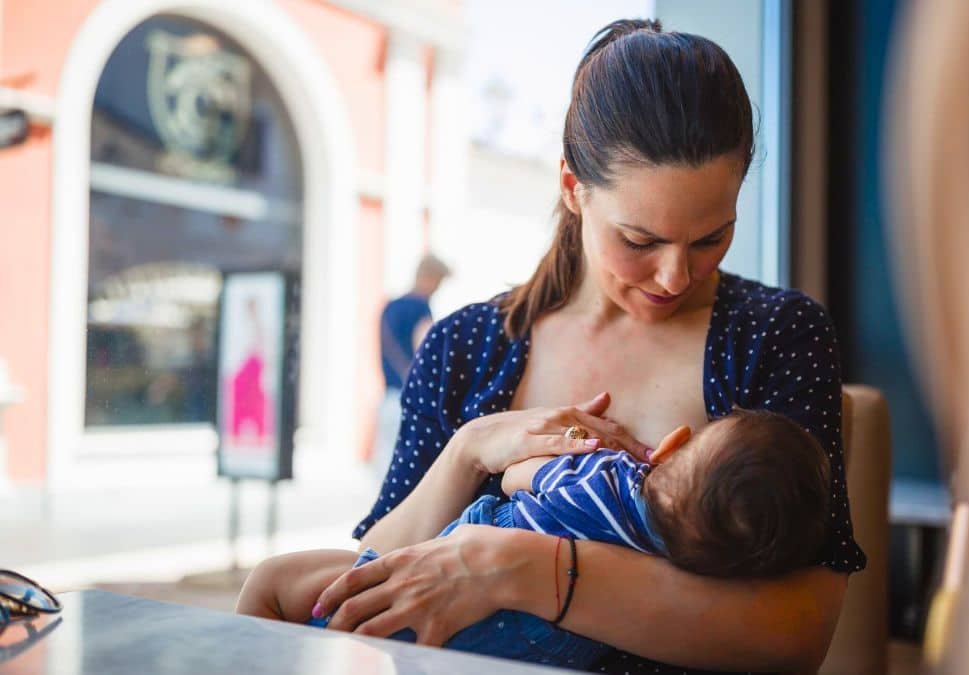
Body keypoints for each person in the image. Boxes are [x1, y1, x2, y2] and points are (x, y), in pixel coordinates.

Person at [311, 19, 864, 674]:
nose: (675, 277)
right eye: (640, 241)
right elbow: (365, 584)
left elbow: (796, 634)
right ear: (573, 189)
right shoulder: (464, 347)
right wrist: (468, 450)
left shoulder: (776, 334)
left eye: (711, 238)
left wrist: (526, 569)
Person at [237, 409, 832, 669]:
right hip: (531, 656)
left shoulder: (605, 477)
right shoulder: (688, 572)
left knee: (273, 582)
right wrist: (466, 446)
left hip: (391, 619)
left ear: (673, 443)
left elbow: (517, 477)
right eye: (641, 240)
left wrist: (565, 447)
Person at [372, 255, 451, 475]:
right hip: (410, 401)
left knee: (383, 466)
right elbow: (425, 350)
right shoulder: (420, 308)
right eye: (438, 282)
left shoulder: (390, 306)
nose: (437, 289)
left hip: (388, 396)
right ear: (429, 277)